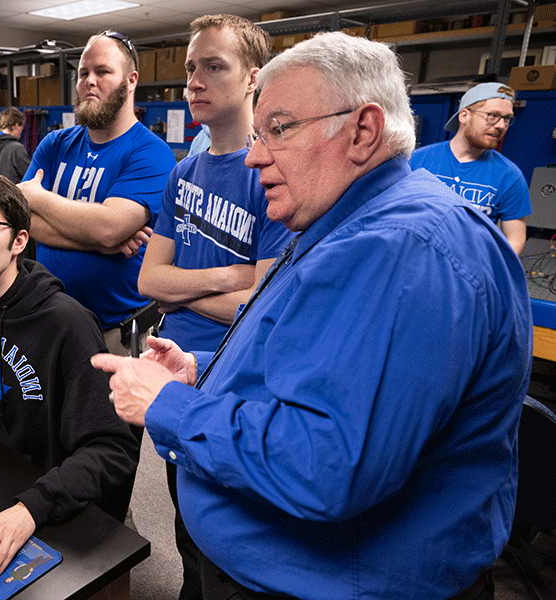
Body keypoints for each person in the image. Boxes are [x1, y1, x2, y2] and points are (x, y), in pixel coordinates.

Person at [93, 31, 532, 600]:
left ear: (363, 130)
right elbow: (310, 362)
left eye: (279, 129)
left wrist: (169, 404)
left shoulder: (403, 249)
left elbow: (326, 466)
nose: (254, 156)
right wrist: (203, 371)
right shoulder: (349, 220)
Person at [0, 171, 139, 587]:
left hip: (52, 497)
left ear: (18, 241)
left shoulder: (67, 324)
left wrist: (29, 510)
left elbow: (112, 450)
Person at [137, 16, 293, 600]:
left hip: (233, 374)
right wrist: (229, 276)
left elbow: (266, 306)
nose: (194, 82)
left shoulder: (271, 174)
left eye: (213, 66)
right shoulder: (183, 173)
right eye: (189, 69)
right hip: (171, 369)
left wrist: (185, 284)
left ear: (254, 77)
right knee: (184, 522)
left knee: (229, 534)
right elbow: (150, 280)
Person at [17, 31, 176, 354]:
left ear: (130, 80)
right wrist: (101, 245)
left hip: (115, 337)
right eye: (83, 73)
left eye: (103, 72)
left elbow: (108, 227)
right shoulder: (55, 144)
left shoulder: (151, 153)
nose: (90, 81)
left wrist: (38, 198)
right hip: (50, 323)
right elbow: (19, 219)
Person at [410, 82, 531, 255]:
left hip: (468, 274)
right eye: (493, 115)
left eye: (506, 118)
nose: (501, 126)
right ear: (464, 115)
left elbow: (515, 239)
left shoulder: (510, 176)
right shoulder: (417, 160)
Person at [0, 107, 31, 184]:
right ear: (16, 125)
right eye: (21, 126)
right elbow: (30, 177)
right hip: (13, 194)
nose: (21, 130)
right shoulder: (17, 148)